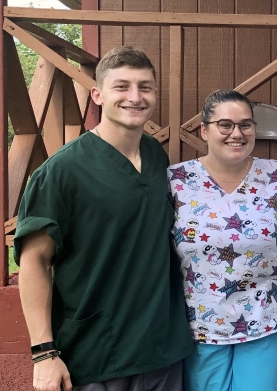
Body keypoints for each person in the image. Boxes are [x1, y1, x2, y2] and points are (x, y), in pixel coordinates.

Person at [15, 46, 193, 391]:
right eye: (121, 86)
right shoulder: (62, 172)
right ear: (97, 94)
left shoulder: (156, 155)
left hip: (161, 348)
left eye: (145, 87)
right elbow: (34, 261)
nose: (135, 97)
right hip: (97, 352)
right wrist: (43, 353)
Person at [169, 89, 277, 391]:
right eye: (225, 124)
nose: (236, 133)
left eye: (245, 124)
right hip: (200, 325)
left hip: (266, 320)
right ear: (204, 130)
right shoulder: (177, 181)